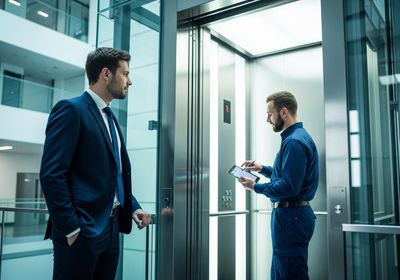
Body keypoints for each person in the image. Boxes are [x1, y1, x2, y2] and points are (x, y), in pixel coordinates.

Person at [40, 47, 152, 280]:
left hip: (111, 230)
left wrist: (133, 206)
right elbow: (52, 174)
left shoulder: (110, 117)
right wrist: (71, 227)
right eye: (125, 74)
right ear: (106, 74)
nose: (129, 81)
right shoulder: (71, 110)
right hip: (81, 232)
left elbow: (115, 174)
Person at [240, 91, 318, 280]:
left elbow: (289, 187)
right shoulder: (297, 137)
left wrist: (255, 186)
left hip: (292, 218)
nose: (268, 119)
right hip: (292, 218)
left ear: (283, 112)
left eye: (270, 114)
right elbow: (287, 175)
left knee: (289, 273)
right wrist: (262, 168)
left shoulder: (293, 142)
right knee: (284, 271)